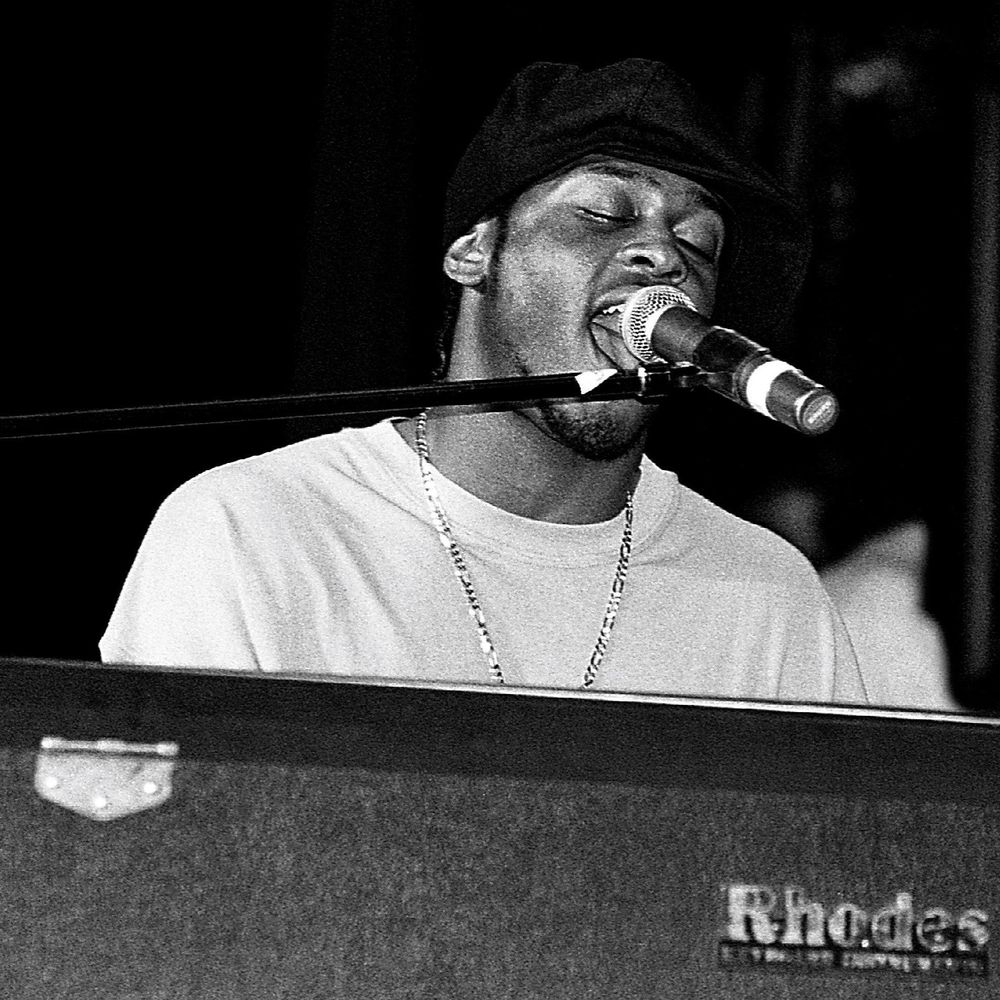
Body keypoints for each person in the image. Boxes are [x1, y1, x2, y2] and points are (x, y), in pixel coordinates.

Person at [100, 58, 868, 703]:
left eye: (698, 242)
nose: (663, 256)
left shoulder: (769, 597)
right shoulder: (255, 532)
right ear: (474, 252)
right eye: (604, 212)